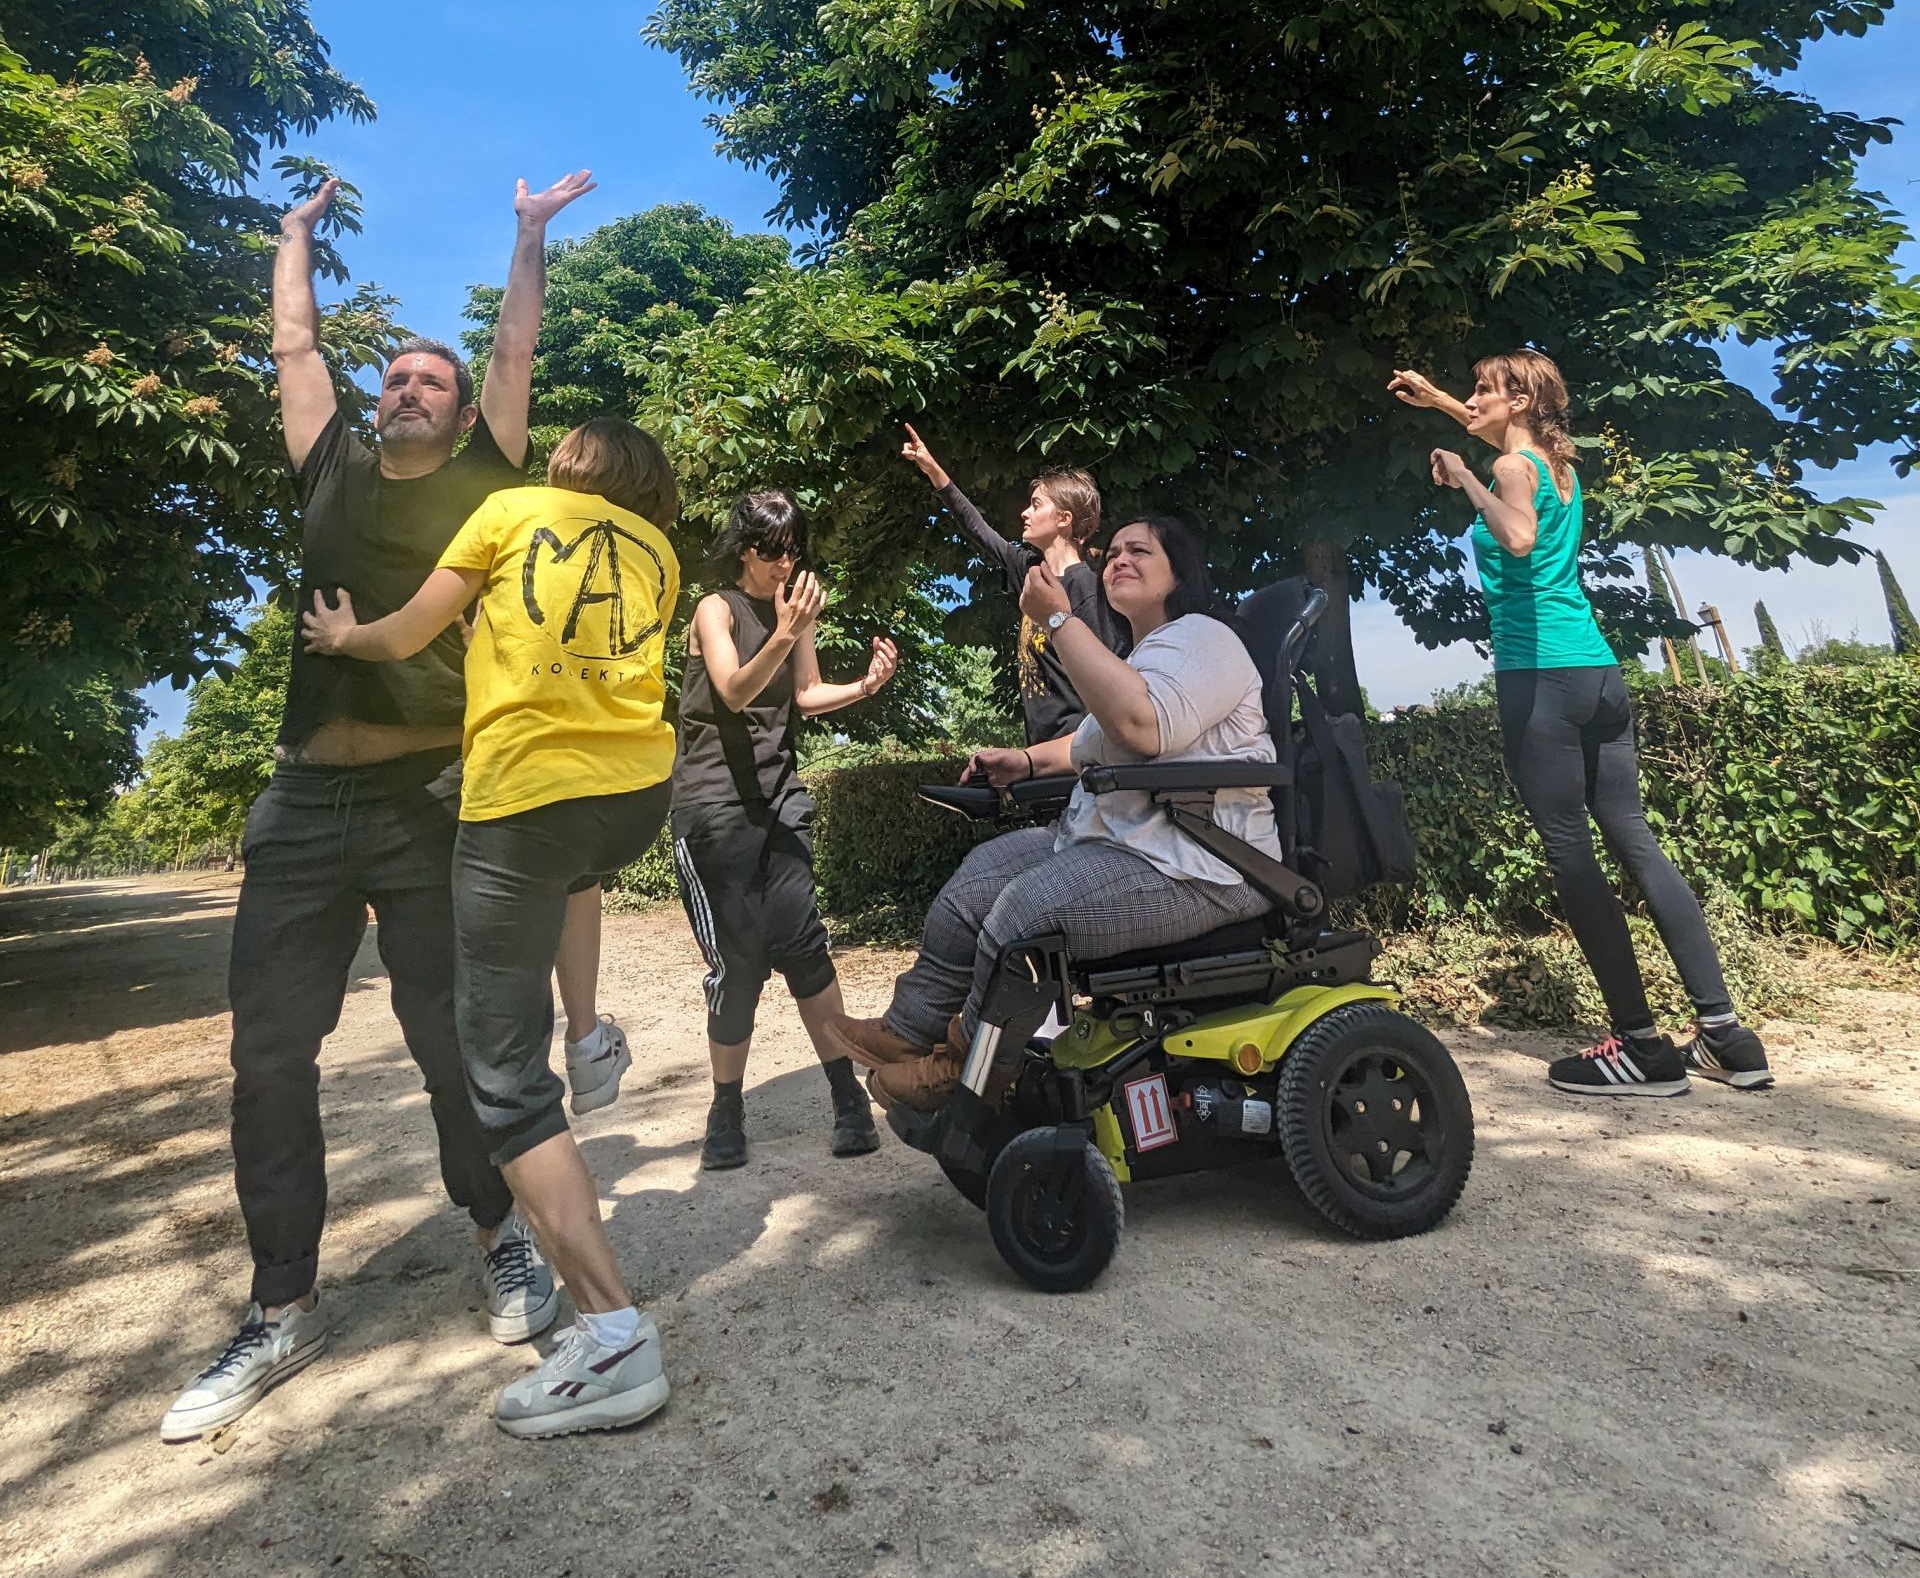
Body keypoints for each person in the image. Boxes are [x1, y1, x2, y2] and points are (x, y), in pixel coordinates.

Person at [162, 170, 594, 1445]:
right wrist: (291, 238)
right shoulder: (332, 474)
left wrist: (524, 236)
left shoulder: (485, 487)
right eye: (395, 376)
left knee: (451, 1042)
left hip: (429, 802)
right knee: (266, 1058)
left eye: (432, 382)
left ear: (464, 418)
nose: (408, 387)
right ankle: (279, 1305)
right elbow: (295, 345)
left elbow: (517, 347)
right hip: (300, 806)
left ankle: (496, 1234)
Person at [301, 417, 683, 1438]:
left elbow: (412, 629)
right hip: (635, 786)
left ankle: (612, 1335)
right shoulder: (657, 552)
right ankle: (591, 1031)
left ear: (578, 458)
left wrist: (345, 637)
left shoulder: (506, 508)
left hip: (528, 793)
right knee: (573, 875)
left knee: (501, 1074)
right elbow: (564, 641)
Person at [1390, 351, 1774, 1096]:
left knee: (1572, 855)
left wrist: (1467, 478)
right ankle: (1726, 1036)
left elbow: (1520, 537)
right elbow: (1490, 434)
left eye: (1483, 391)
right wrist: (1438, 400)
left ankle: (1641, 1047)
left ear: (1522, 401)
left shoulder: (1507, 473)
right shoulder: (1560, 465)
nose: (1472, 401)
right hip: (1598, 675)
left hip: (1540, 679)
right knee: (1635, 838)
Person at [822, 515, 1279, 1108]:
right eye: (1113, 551)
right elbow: (1093, 737)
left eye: (1140, 551)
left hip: (1205, 864)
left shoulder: (1205, 638)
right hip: (1131, 844)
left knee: (1025, 912)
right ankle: (906, 1032)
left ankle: (972, 1070)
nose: (1119, 559)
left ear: (1179, 574)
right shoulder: (1142, 655)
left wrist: (1059, 620)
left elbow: (1141, 726)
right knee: (978, 882)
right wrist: (1026, 762)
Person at [671, 491, 900, 1168]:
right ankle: (726, 1110)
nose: (786, 562)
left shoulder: (794, 614)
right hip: (713, 810)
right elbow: (735, 690)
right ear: (745, 548)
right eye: (773, 549)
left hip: (780, 803)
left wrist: (863, 686)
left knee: (804, 947)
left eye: (794, 549)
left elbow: (805, 695)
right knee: (739, 965)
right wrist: (784, 628)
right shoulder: (715, 609)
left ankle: (848, 1101)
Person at [899, 424, 1128, 747]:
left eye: (1036, 504)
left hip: (1077, 753)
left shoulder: (1088, 587)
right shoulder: (1031, 572)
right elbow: (977, 529)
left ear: (1064, 519)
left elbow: (1109, 679)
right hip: (1039, 747)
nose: (1025, 512)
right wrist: (934, 471)